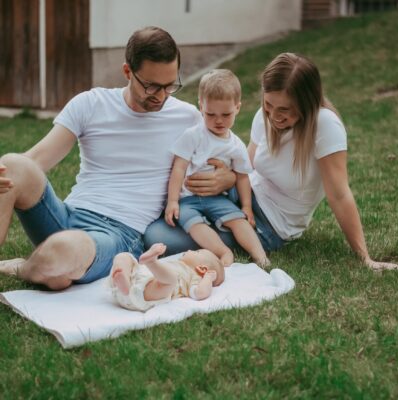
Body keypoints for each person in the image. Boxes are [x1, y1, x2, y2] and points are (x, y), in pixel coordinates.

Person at [0, 26, 235, 289]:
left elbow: (228, 155)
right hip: (67, 215)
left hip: (116, 235)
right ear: (127, 72)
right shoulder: (90, 104)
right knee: (11, 165)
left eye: (169, 86)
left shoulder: (187, 118)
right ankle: (52, 263)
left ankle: (26, 266)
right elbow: (35, 160)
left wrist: (229, 177)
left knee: (60, 255)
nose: (161, 96)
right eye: (151, 86)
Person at [145, 52, 398, 271]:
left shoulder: (324, 125)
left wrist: (365, 257)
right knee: (164, 213)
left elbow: (340, 194)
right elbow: (248, 165)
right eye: (269, 105)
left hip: (270, 224)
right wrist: (227, 179)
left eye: (284, 110)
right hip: (242, 197)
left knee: (160, 236)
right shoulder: (264, 115)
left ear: (306, 103)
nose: (274, 116)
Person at [165, 69, 269, 267]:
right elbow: (178, 167)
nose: (218, 120)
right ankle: (223, 251)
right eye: (210, 114)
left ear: (238, 108)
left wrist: (246, 206)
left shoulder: (236, 144)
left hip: (217, 198)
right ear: (201, 106)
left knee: (238, 220)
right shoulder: (194, 135)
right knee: (194, 224)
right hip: (188, 199)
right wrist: (172, 201)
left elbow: (242, 176)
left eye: (226, 114)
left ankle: (260, 256)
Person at [110, 243, 224, 311]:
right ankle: (124, 280)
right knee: (124, 256)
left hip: (147, 294)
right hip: (132, 284)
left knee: (171, 280)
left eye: (196, 252)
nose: (190, 250)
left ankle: (151, 262)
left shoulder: (194, 276)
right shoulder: (175, 264)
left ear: (202, 268)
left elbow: (200, 293)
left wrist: (208, 278)